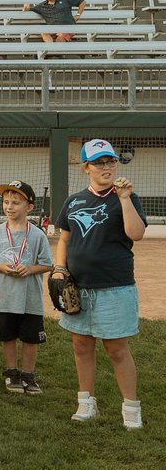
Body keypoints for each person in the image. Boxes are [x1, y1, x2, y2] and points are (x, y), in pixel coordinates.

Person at [54, 139, 146, 429]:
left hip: (114, 287)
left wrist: (124, 198)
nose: (106, 167)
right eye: (99, 162)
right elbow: (65, 239)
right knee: (81, 345)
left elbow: (136, 234)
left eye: (110, 161)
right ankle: (86, 403)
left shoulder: (127, 198)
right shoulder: (74, 200)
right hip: (79, 287)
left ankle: (131, 409)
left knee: (116, 349)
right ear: (86, 167)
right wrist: (59, 269)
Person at [0, 179, 52, 395]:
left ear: (29, 207)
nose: (9, 207)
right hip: (5, 297)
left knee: (30, 338)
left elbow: (47, 264)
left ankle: (29, 375)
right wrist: (2, 268)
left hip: (30, 298)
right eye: (6, 202)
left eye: (15, 202)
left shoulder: (37, 235)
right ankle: (12, 372)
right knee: (7, 335)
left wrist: (30, 269)